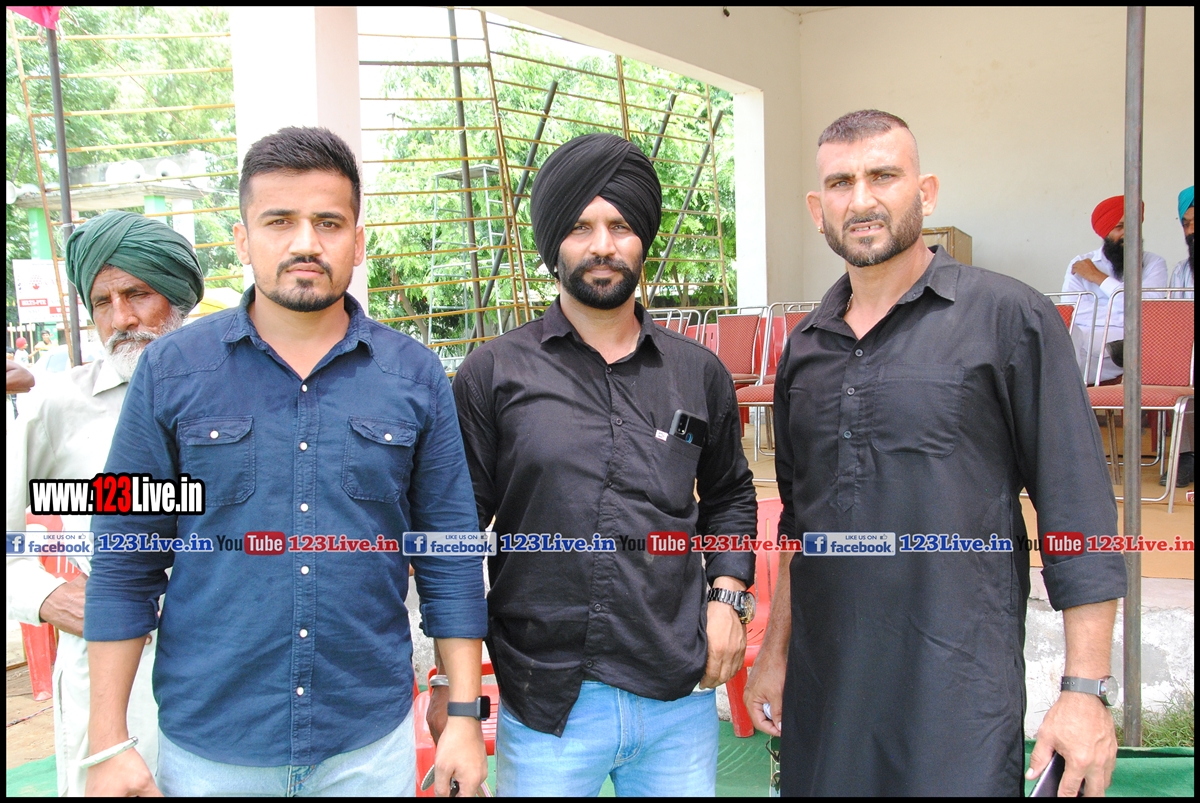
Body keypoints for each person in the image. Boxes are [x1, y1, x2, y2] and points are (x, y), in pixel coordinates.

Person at [83, 127, 488, 797]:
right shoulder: (170, 371)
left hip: (366, 746)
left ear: (358, 241)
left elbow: (449, 555)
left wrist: (465, 716)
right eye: (279, 222)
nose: (306, 243)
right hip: (212, 751)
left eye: (328, 222)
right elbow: (124, 558)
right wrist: (106, 744)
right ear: (242, 240)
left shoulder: (414, 376)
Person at [744, 110, 1127, 796]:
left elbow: (1078, 508)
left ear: (926, 193)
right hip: (828, 694)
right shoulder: (805, 348)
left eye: (883, 176)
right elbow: (799, 526)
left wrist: (1085, 689)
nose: (862, 199)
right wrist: (775, 651)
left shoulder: (1009, 318)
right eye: (841, 182)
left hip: (956, 695)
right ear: (817, 208)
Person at [451, 133, 759, 796]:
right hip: (546, 698)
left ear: (642, 238)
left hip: (677, 693)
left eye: (620, 226)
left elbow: (731, 494)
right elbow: (456, 533)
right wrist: (455, 691)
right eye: (580, 227)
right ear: (552, 243)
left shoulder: (697, 372)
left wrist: (728, 595)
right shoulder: (494, 373)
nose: (602, 245)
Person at [5, 210, 201, 796]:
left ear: (179, 297)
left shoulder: (240, 396)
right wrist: (45, 596)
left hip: (227, 670)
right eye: (102, 302)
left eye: (138, 294)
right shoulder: (57, 406)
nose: (121, 319)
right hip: (111, 677)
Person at [1062, 195, 1168, 384]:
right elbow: (1073, 313)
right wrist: (1124, 313)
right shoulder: (1080, 263)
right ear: (1105, 231)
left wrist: (1098, 278)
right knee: (1065, 338)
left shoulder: (1153, 263)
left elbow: (1147, 309)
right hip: (1081, 340)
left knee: (1066, 363)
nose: (1129, 233)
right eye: (1120, 227)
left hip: (1125, 346)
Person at [1161, 185, 1193, 486]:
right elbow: (1175, 323)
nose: (1191, 231)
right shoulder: (1181, 271)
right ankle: (1186, 455)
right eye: (1186, 224)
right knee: (1181, 367)